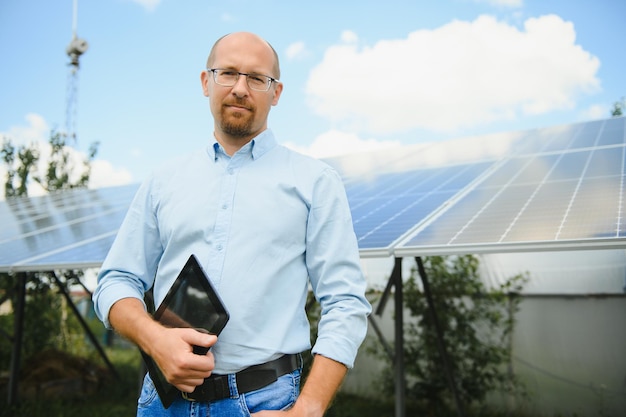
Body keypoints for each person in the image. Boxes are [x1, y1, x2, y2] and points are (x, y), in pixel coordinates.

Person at [92, 31, 371, 417]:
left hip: (264, 402)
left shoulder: (315, 181)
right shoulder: (164, 179)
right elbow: (115, 280)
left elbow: (345, 302)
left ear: (276, 92)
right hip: (161, 401)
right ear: (206, 81)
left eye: (257, 78)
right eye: (228, 73)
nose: (241, 88)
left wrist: (307, 409)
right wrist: (155, 339)